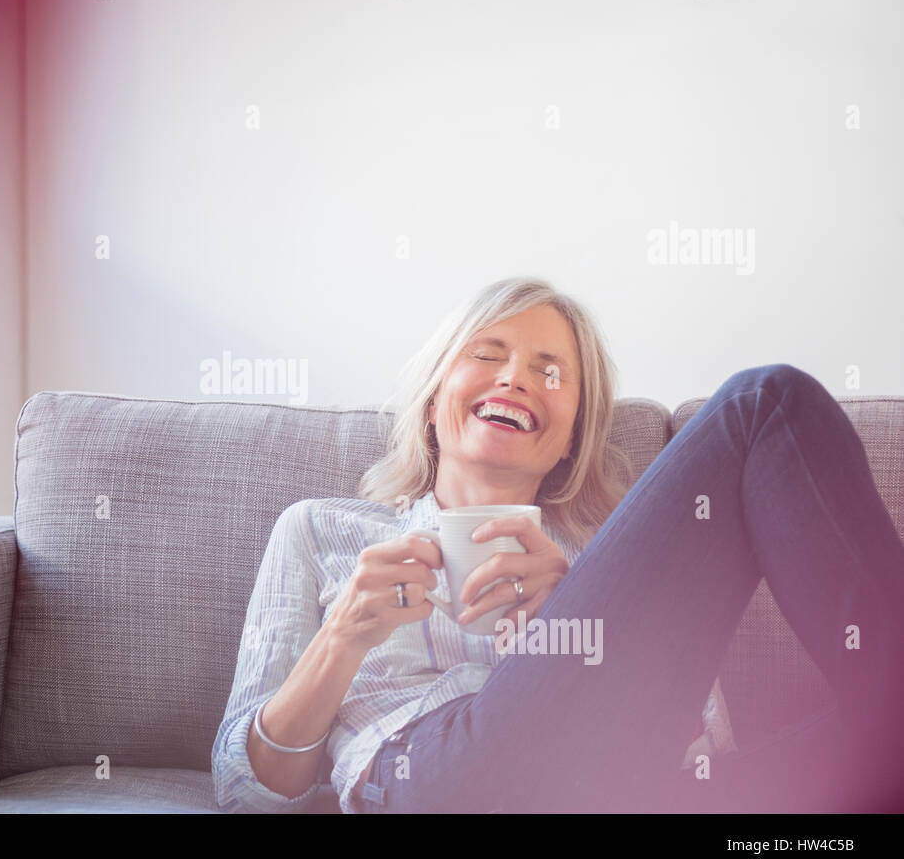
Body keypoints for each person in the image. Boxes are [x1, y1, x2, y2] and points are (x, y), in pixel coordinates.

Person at [211, 276, 904, 813]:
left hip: (640, 792)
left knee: (875, 741)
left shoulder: (604, 559)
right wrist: (342, 637)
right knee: (763, 402)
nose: (514, 377)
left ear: (571, 434)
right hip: (451, 782)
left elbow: (701, 744)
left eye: (550, 372)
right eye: (487, 354)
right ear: (433, 399)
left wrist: (569, 617)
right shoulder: (323, 531)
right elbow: (246, 790)